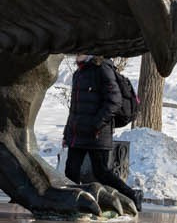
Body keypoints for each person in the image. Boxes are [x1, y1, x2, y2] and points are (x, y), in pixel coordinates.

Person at [61, 55, 144, 206]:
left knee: (102, 173)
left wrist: (96, 123)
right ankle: (75, 205)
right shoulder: (79, 73)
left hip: (97, 133)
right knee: (71, 171)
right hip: (77, 134)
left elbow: (115, 100)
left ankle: (132, 194)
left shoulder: (102, 68)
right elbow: (74, 109)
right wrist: (67, 133)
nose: (76, 52)